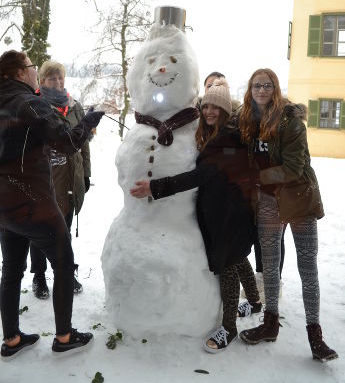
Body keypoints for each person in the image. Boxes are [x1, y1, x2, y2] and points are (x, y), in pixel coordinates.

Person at [131, 79, 262, 352]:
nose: (209, 111)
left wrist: (155, 187)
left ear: (226, 110)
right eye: (206, 106)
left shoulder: (227, 139)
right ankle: (255, 301)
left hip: (231, 214)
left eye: (216, 107)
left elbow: (199, 176)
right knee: (238, 258)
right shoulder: (221, 133)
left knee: (227, 265)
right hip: (231, 210)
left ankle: (228, 327)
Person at [0, 50, 104, 359]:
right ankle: (64, 336)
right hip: (34, 205)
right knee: (62, 264)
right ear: (20, 73)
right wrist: (88, 121)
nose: (34, 72)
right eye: (32, 67)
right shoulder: (32, 103)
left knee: (11, 270)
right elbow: (69, 142)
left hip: (4, 206)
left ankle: (13, 339)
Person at [237, 68, 338, 362]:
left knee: (308, 267)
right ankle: (270, 324)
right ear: (250, 89)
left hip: (298, 199)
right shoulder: (246, 120)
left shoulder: (291, 121)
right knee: (269, 265)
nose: (262, 90)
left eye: (267, 85)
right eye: (257, 86)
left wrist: (255, 178)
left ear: (276, 88)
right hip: (268, 201)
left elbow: (294, 167)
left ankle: (315, 334)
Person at [30, 61, 91, 299]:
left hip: (69, 179)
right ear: (43, 81)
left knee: (64, 230)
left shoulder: (75, 107)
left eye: (61, 78)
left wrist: (85, 173)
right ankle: (38, 276)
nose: (58, 82)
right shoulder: (36, 107)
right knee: (40, 231)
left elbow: (84, 143)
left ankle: (64, 273)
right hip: (45, 179)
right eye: (52, 79)